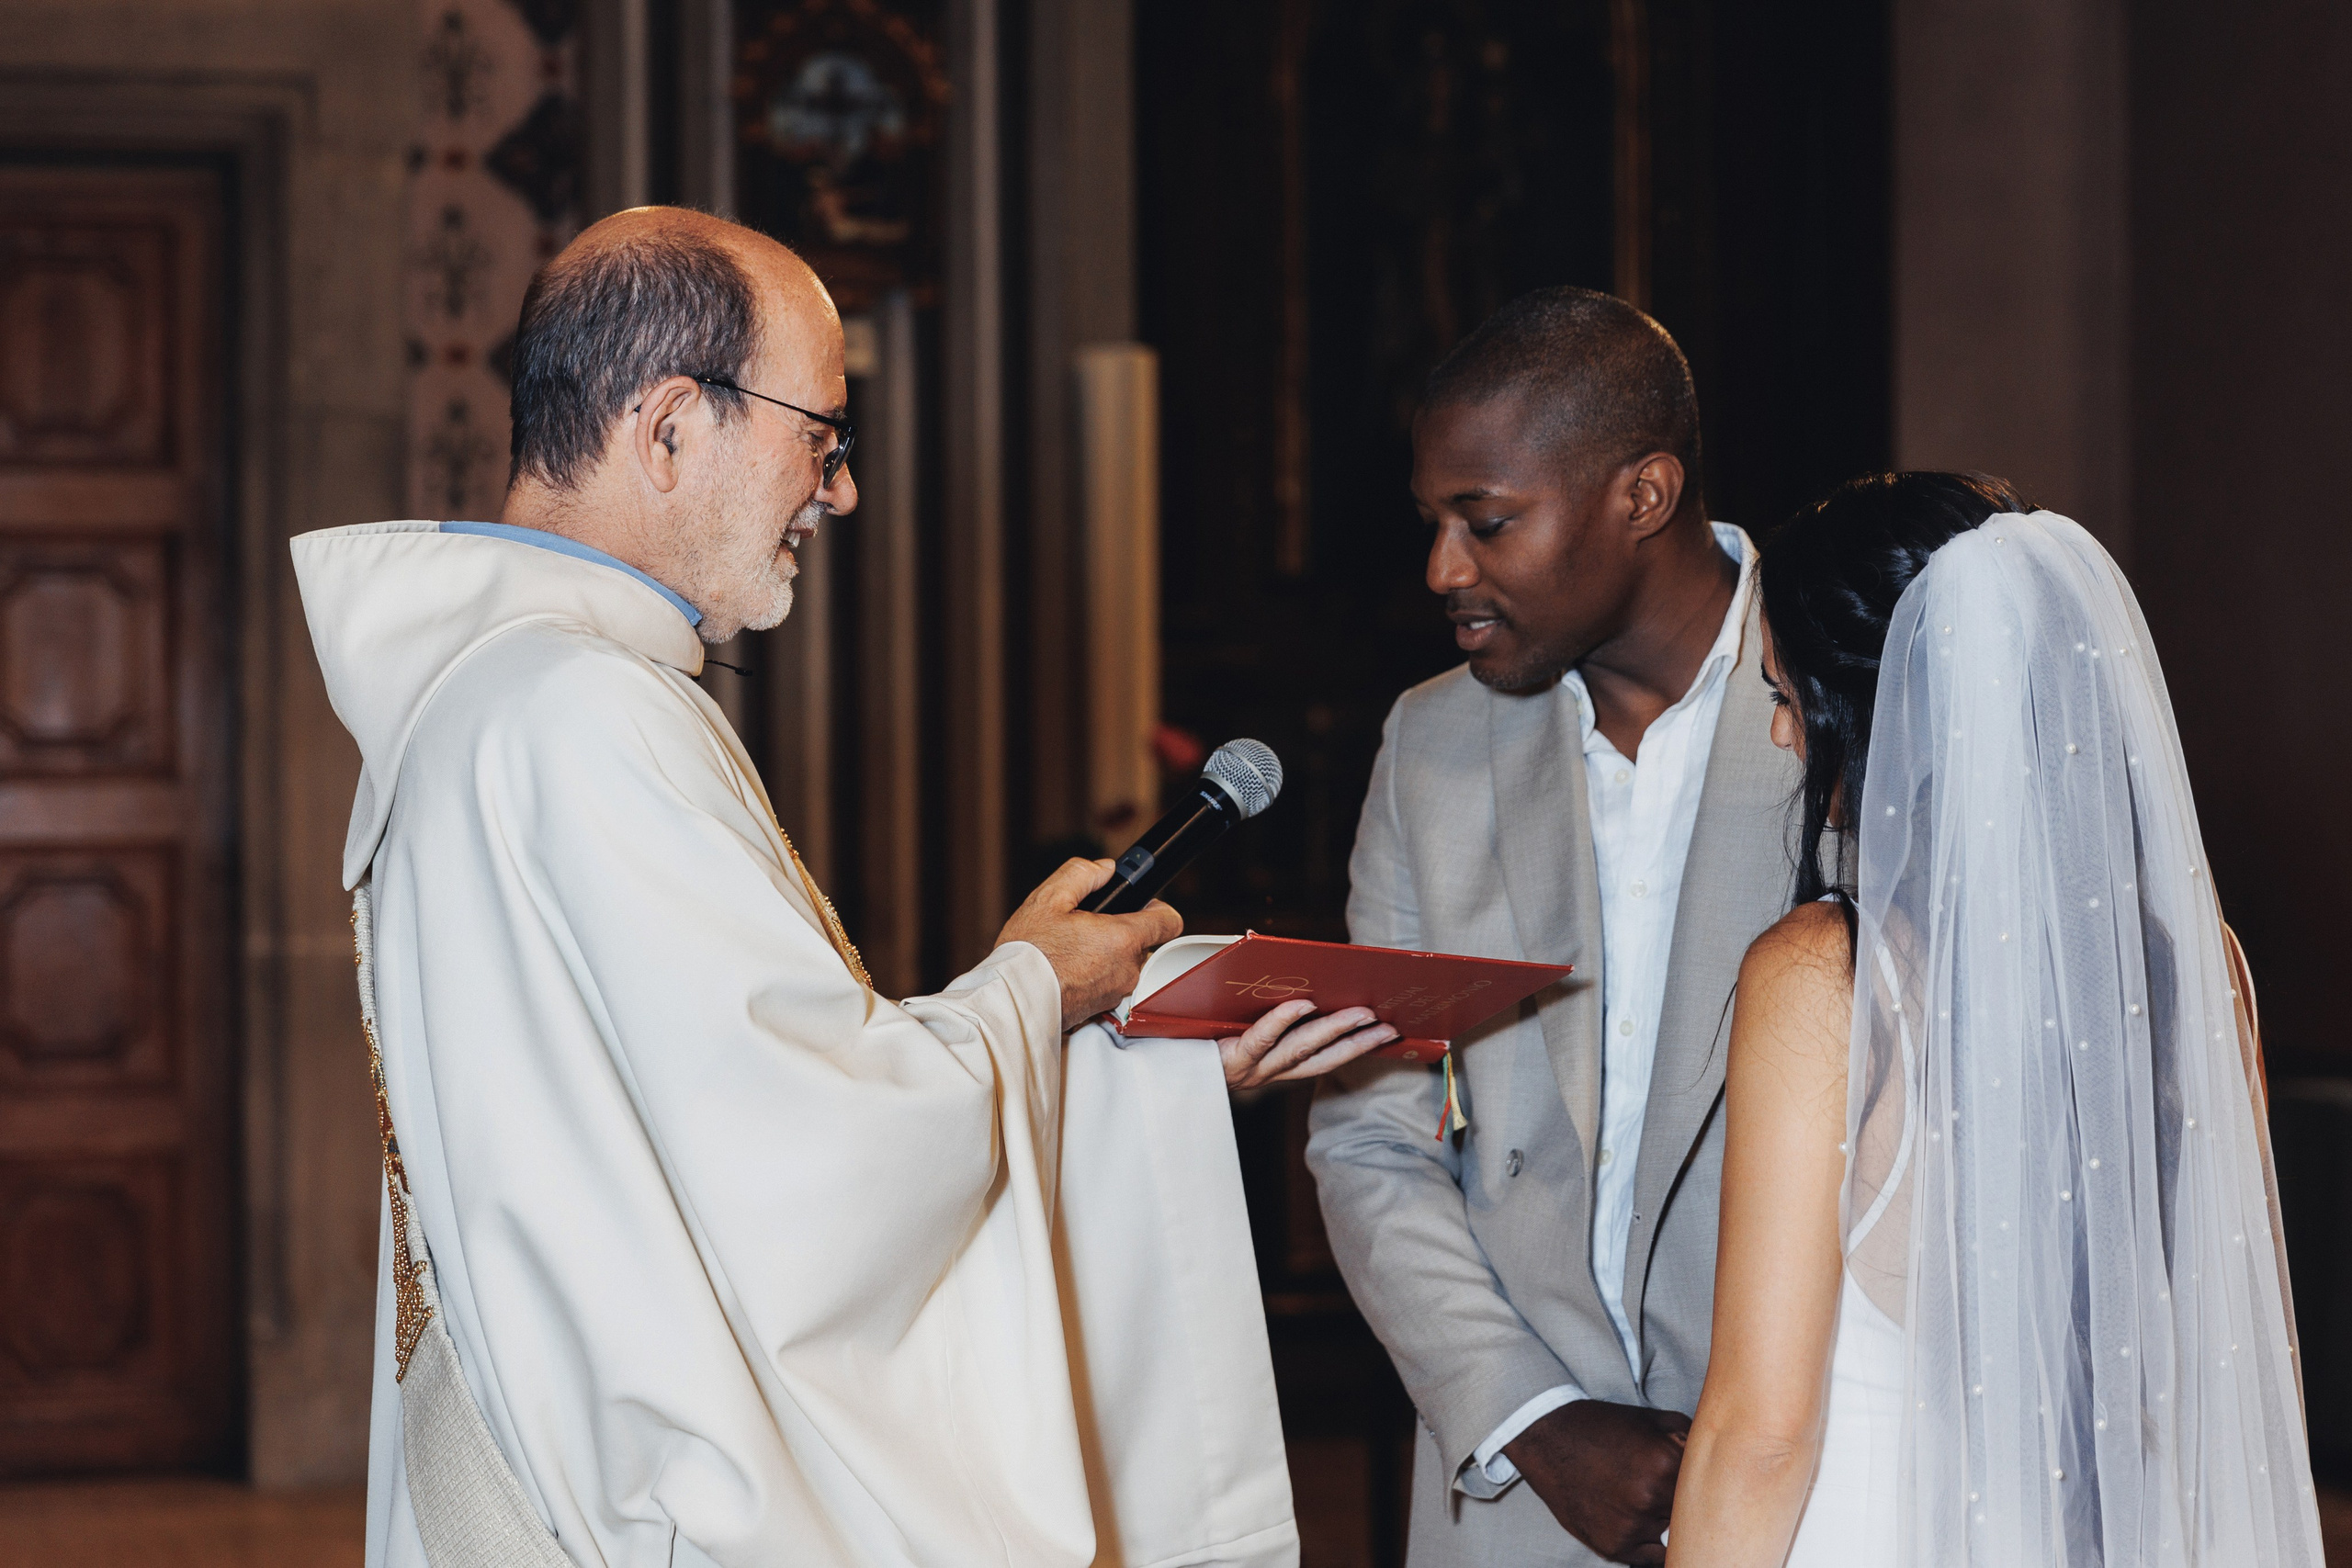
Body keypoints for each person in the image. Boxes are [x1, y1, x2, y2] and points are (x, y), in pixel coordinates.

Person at [293, 208, 1378, 1568]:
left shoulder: (495, 696)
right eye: (823, 434)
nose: (840, 489)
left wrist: (1136, 1070)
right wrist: (1037, 979)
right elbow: (817, 1165)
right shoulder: (580, 711)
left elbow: (719, 1128)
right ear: (672, 426)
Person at [1666, 474, 2324, 1565]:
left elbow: (1760, 1435)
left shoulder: (1823, 979)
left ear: (1878, 715)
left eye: (1787, 697)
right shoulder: (2199, 965)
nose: (1783, 736)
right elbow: (2242, 1350)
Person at [1306, 287, 1799, 1566]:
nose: (1442, 571)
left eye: (1488, 522)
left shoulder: (1853, 704)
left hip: (1815, 1479)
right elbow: (1370, 1131)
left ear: (1642, 494)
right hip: (1519, 1495)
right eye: (1434, 523)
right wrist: (1537, 1418)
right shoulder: (1432, 742)